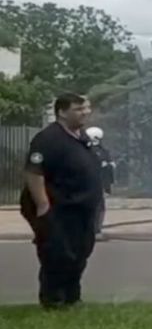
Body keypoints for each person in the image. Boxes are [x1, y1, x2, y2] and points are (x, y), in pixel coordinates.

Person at [19, 93, 103, 308]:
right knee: (57, 253)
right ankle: (53, 299)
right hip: (58, 208)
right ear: (62, 112)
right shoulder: (48, 139)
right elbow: (33, 171)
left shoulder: (81, 136)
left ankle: (72, 297)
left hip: (81, 208)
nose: (85, 112)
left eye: (86, 108)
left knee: (80, 252)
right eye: (78, 109)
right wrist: (43, 204)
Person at [85, 126, 115, 238]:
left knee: (97, 207)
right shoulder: (98, 151)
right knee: (97, 208)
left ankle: (95, 229)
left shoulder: (87, 150)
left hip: (95, 184)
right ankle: (96, 230)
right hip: (95, 184)